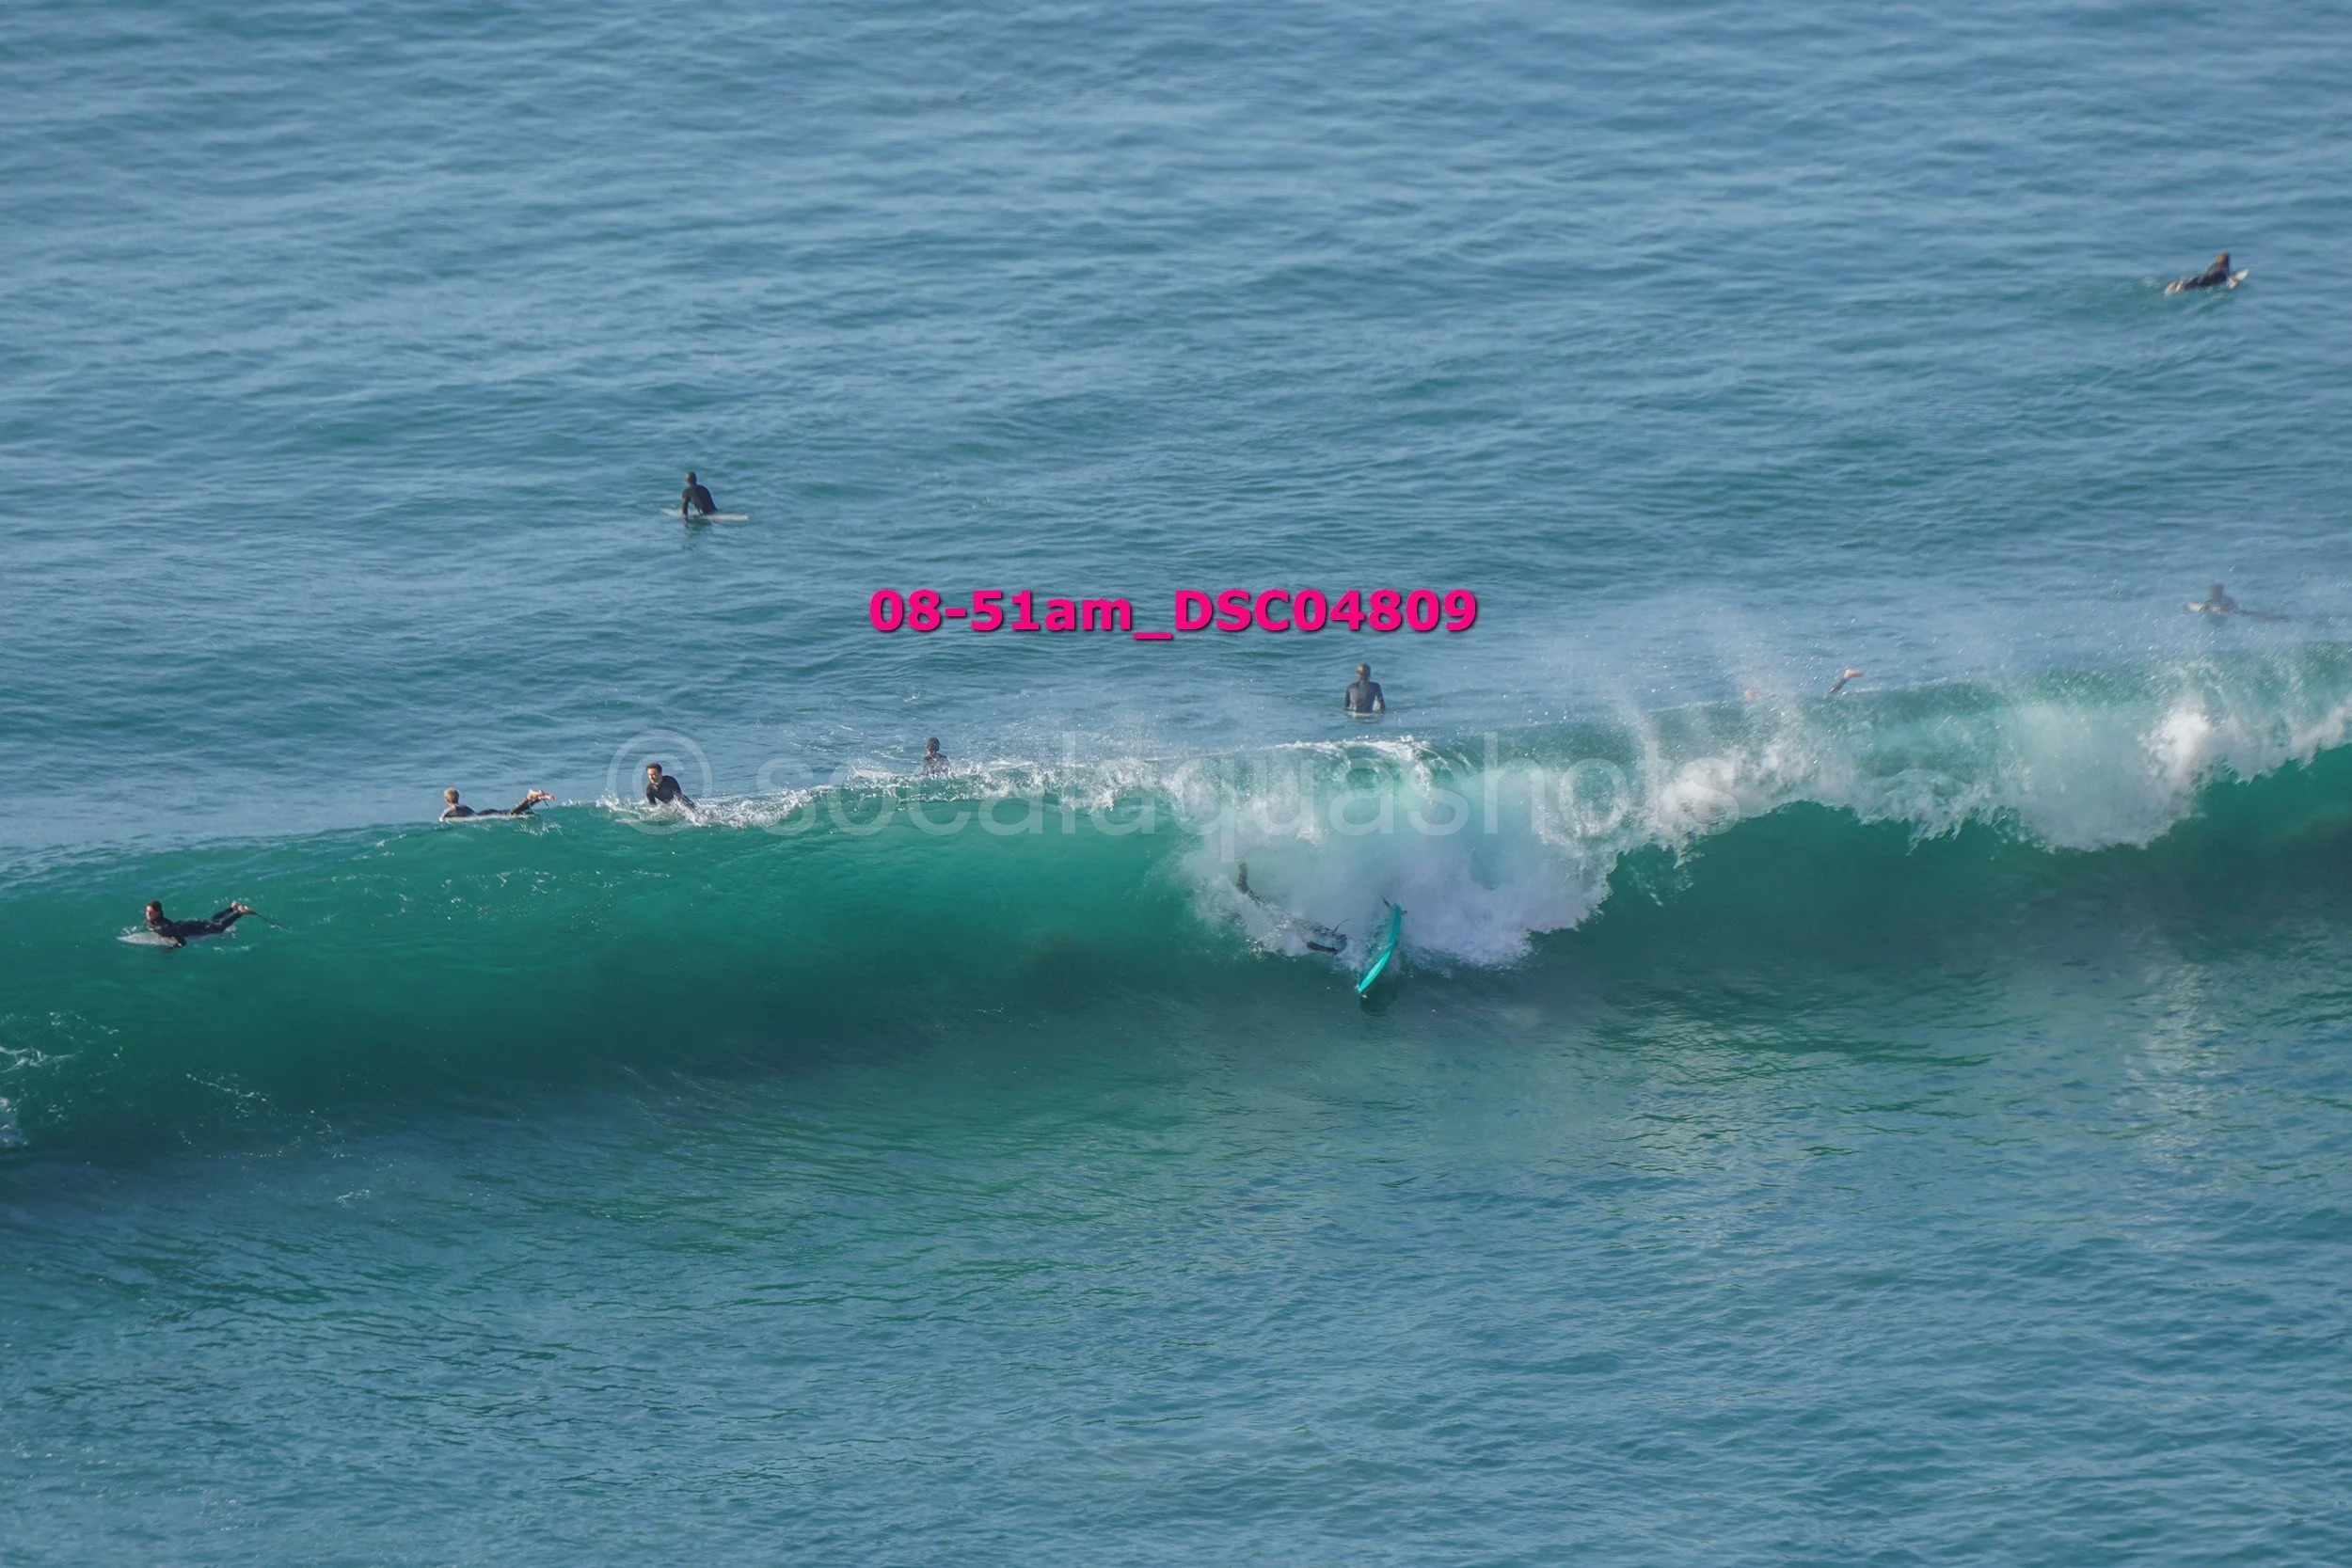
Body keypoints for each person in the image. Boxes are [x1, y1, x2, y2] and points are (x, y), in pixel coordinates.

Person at [144, 899, 255, 948]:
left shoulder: (165, 927)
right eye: (147, 911)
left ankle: (240, 913)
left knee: (218, 927)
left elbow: (182, 943)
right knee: (211, 921)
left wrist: (170, 949)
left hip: (191, 928)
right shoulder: (152, 921)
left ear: (158, 913)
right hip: (185, 925)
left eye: (150, 912)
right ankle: (232, 908)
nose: (147, 914)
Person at [441, 787, 552, 820]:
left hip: (482, 815)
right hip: (485, 812)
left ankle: (529, 796)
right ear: (458, 797)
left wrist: (442, 819)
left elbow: (442, 818)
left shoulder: (451, 809)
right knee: (513, 811)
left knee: (511, 813)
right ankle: (537, 798)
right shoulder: (464, 807)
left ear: (447, 800)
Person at [2170, 251, 2234, 292]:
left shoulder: (2213, 266)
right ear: (2227, 261)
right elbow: (2228, 279)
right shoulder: (2224, 269)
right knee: (2190, 287)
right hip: (2207, 280)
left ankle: (2176, 284)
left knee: (2191, 283)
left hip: (2201, 276)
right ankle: (2181, 286)